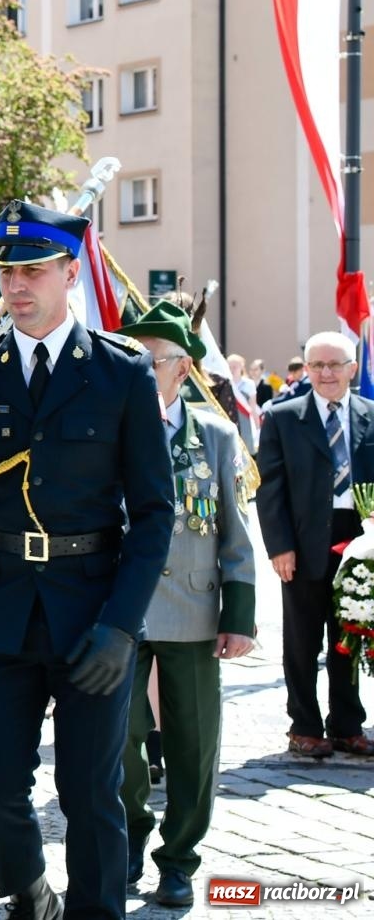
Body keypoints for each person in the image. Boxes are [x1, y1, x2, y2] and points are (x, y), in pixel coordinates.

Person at [0, 201, 174, 920]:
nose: (18, 285)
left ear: (70, 273)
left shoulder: (121, 372)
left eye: (34, 270)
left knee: (92, 794)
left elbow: (155, 513)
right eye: (8, 272)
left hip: (93, 606)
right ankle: (30, 896)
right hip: (1, 607)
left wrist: (123, 627)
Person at [116, 302, 258, 908]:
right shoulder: (107, 427)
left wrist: (239, 617)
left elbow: (233, 529)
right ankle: (125, 838)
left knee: (194, 742)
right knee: (115, 737)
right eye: (134, 358)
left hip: (192, 609)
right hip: (117, 609)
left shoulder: (216, 435)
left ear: (182, 368)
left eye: (152, 360)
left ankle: (179, 858)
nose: (142, 370)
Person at [255, 331, 374, 759]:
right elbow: (270, 489)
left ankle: (347, 725)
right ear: (307, 369)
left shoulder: (370, 414)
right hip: (303, 541)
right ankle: (303, 725)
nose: (326, 373)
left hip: (359, 543)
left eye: (335, 365)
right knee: (303, 640)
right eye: (318, 365)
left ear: (352, 370)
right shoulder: (284, 417)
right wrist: (279, 546)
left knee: (351, 634)